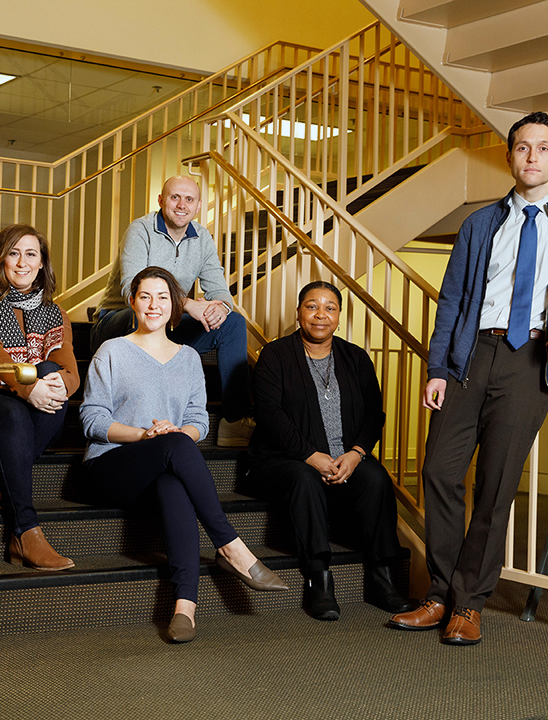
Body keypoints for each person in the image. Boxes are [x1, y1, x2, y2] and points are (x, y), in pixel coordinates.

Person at [388, 112, 548, 645]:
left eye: (543, 148)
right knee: (441, 472)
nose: (532, 156)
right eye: (522, 147)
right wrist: (439, 367)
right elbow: (452, 300)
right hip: (473, 354)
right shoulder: (479, 224)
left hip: (530, 360)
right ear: (509, 156)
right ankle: (439, 594)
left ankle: (469, 604)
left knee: (494, 486)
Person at [80, 266, 288, 643]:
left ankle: (185, 607)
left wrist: (177, 433)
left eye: (163, 297)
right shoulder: (112, 351)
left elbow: (197, 422)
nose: (154, 305)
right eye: (145, 297)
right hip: (110, 466)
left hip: (163, 463)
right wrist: (146, 435)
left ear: (175, 306)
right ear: (132, 302)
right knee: (174, 447)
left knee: (174, 481)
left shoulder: (189, 359)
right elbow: (92, 420)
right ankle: (232, 547)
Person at [247, 281, 415, 621]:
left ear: (339, 316)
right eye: (312, 306)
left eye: (329, 307)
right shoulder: (275, 356)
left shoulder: (355, 357)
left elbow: (373, 414)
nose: (320, 314)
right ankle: (319, 578)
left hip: (344, 457)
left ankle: (381, 578)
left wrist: (355, 454)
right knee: (304, 479)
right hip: (283, 459)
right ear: (298, 312)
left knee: (376, 479)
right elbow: (270, 416)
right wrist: (312, 456)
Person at [90, 175, 254, 447]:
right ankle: (139, 423)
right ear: (161, 201)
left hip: (168, 327)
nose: (181, 205)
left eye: (189, 199)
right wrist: (189, 304)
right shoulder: (140, 230)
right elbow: (132, 290)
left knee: (234, 322)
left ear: (198, 206)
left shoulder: (202, 238)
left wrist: (220, 309)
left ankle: (234, 421)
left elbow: (221, 291)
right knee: (145, 313)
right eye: (175, 197)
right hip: (118, 320)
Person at [0, 224, 78, 571]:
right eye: (13, 253)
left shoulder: (55, 312)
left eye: (31, 254)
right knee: (15, 412)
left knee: (53, 376)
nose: (22, 262)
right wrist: (27, 387)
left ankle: (1, 492)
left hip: (27, 402)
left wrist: (57, 384)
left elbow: (70, 373)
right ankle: (25, 529)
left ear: (41, 262)